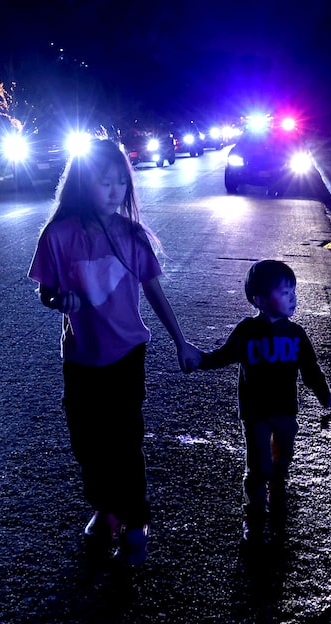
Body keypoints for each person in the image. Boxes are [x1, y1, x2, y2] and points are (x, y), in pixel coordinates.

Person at [27, 138, 201, 567]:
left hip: (127, 355)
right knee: (87, 442)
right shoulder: (58, 235)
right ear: (83, 184)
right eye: (105, 183)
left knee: (124, 441)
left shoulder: (131, 236)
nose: (116, 191)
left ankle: (137, 522)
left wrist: (181, 341)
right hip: (80, 358)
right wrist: (58, 301)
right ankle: (105, 510)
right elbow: (46, 291)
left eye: (122, 183)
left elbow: (155, 293)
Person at [195, 259, 331, 543]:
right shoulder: (247, 331)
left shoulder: (296, 334)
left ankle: (277, 487)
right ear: (259, 299)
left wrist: (323, 392)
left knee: (281, 457)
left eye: (293, 290)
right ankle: (254, 512)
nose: (293, 297)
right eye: (284, 292)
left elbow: (310, 367)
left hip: (285, 410)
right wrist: (199, 360)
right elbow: (224, 356)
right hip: (255, 411)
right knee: (258, 465)